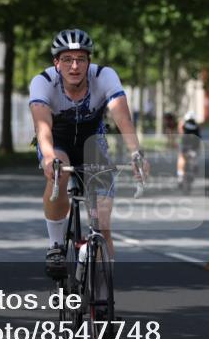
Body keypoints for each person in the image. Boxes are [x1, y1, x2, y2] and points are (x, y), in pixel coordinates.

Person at [28, 28, 146, 279]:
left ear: (89, 62)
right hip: (56, 140)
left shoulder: (104, 76)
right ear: (56, 63)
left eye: (80, 59)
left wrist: (136, 152)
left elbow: (122, 117)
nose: (74, 66)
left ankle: (102, 293)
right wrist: (48, 156)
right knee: (58, 172)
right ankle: (56, 245)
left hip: (92, 141)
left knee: (103, 225)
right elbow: (42, 127)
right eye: (68, 59)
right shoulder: (43, 82)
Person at [176, 112, 201, 186]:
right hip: (195, 144)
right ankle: (195, 166)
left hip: (185, 144)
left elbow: (180, 133)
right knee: (195, 157)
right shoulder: (197, 125)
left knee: (181, 157)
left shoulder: (183, 124)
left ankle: (180, 176)